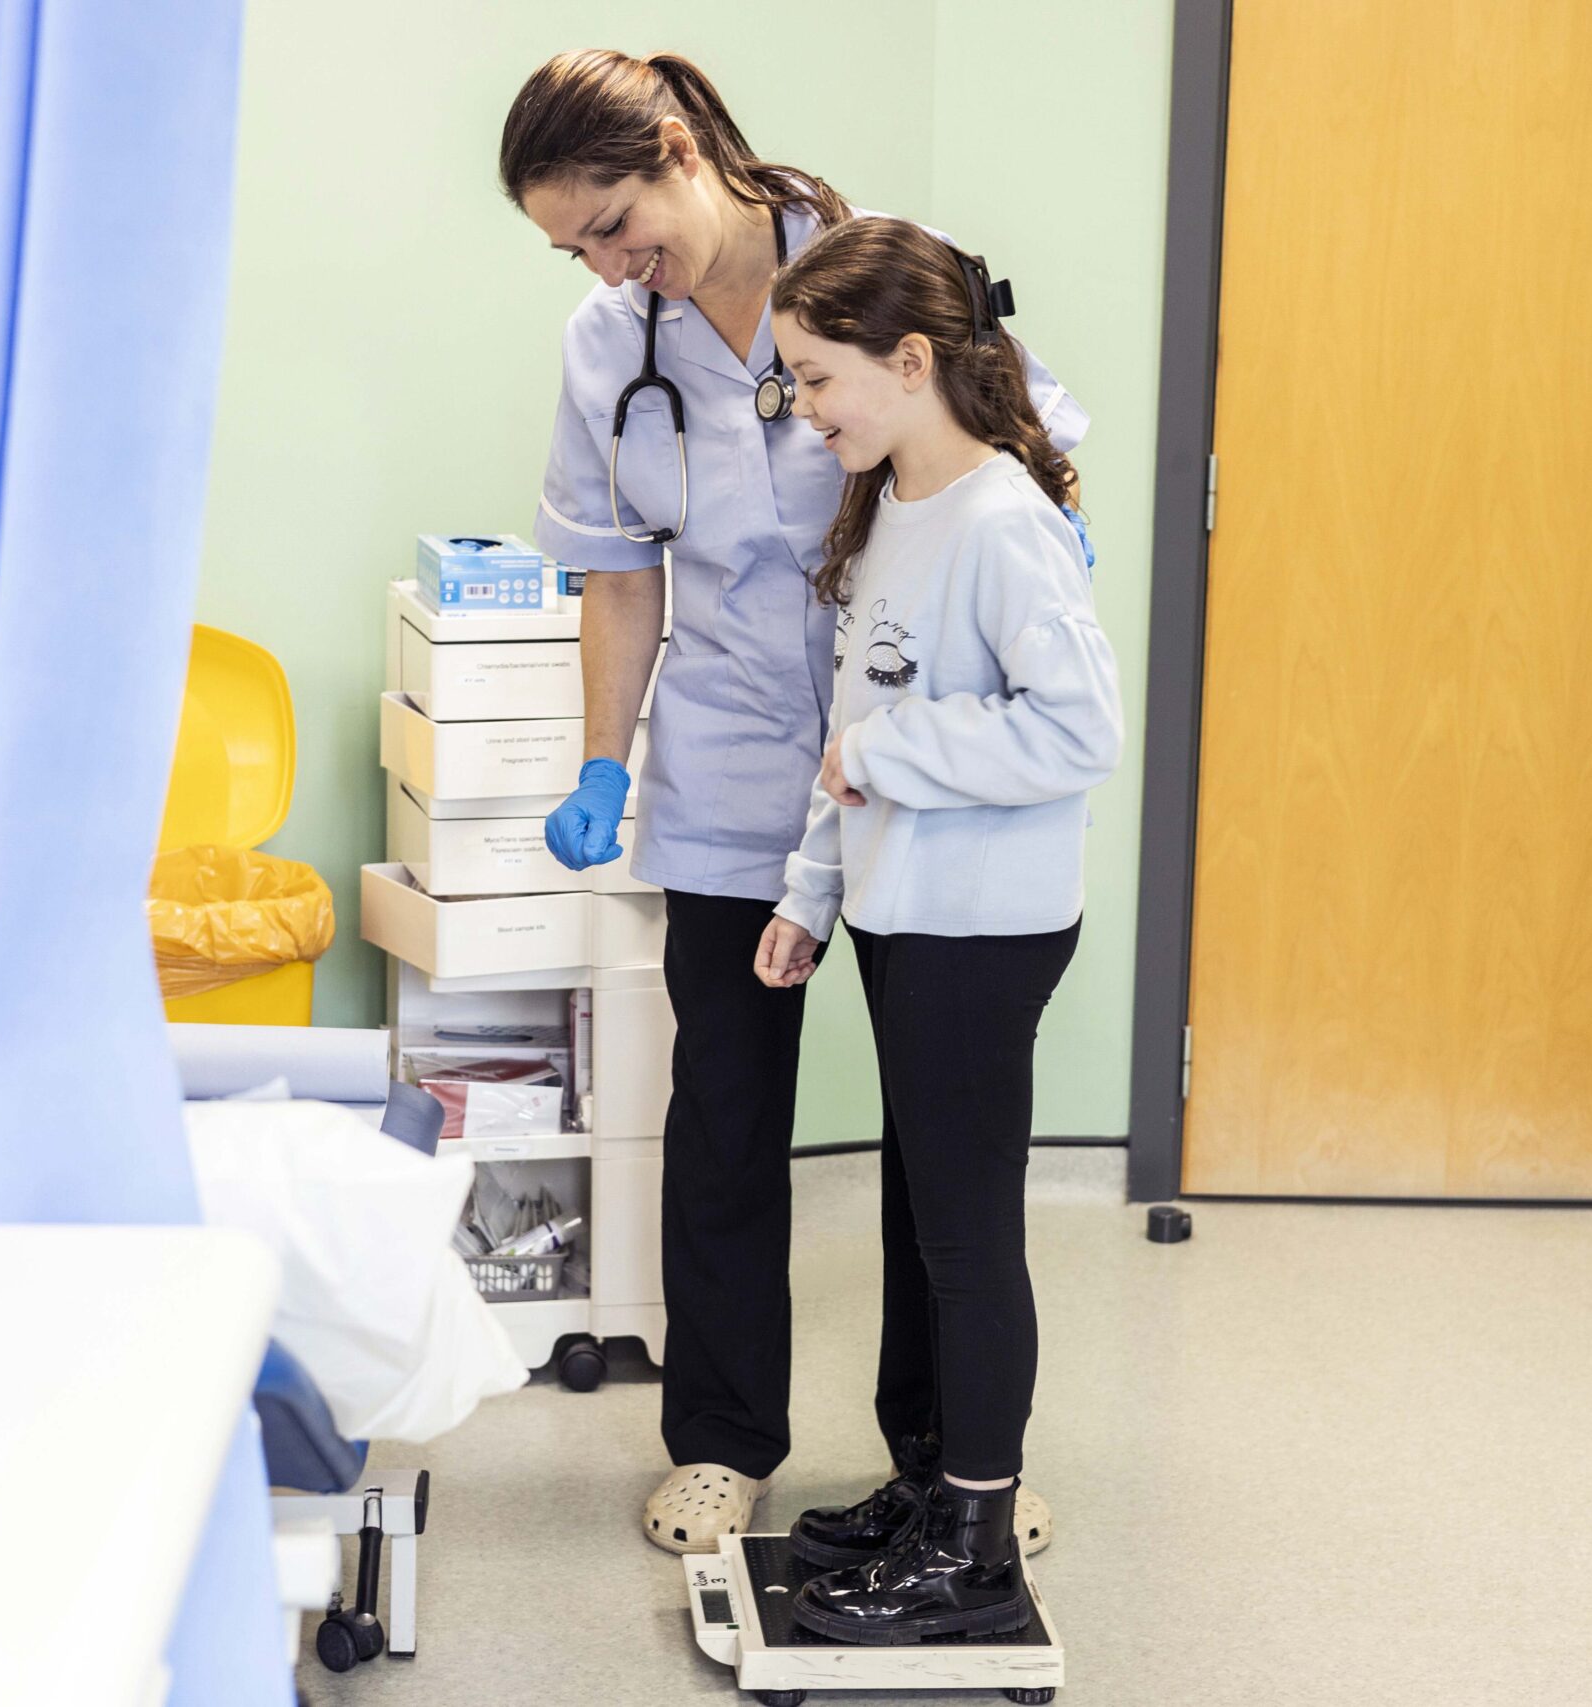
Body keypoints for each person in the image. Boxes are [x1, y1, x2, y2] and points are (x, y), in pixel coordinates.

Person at [499, 50, 1086, 1555]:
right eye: (579, 245)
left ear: (686, 149)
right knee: (727, 1121)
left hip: (905, 765)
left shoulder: (878, 269)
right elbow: (621, 580)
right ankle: (723, 1441)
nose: (612, 262)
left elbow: (1023, 453)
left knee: (932, 1142)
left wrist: (1033, 601)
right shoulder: (603, 342)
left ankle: (955, 1465)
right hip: (733, 762)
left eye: (619, 220)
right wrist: (604, 761)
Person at [753, 216, 1123, 1643]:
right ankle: (927, 1483)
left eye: (818, 377)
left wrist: (895, 755)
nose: (804, 407)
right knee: (920, 1226)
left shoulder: (1006, 523)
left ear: (911, 362)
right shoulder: (896, 505)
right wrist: (810, 893)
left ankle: (975, 1535)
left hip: (985, 931)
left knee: (963, 1238)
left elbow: (1077, 729)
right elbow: (855, 729)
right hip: (906, 918)